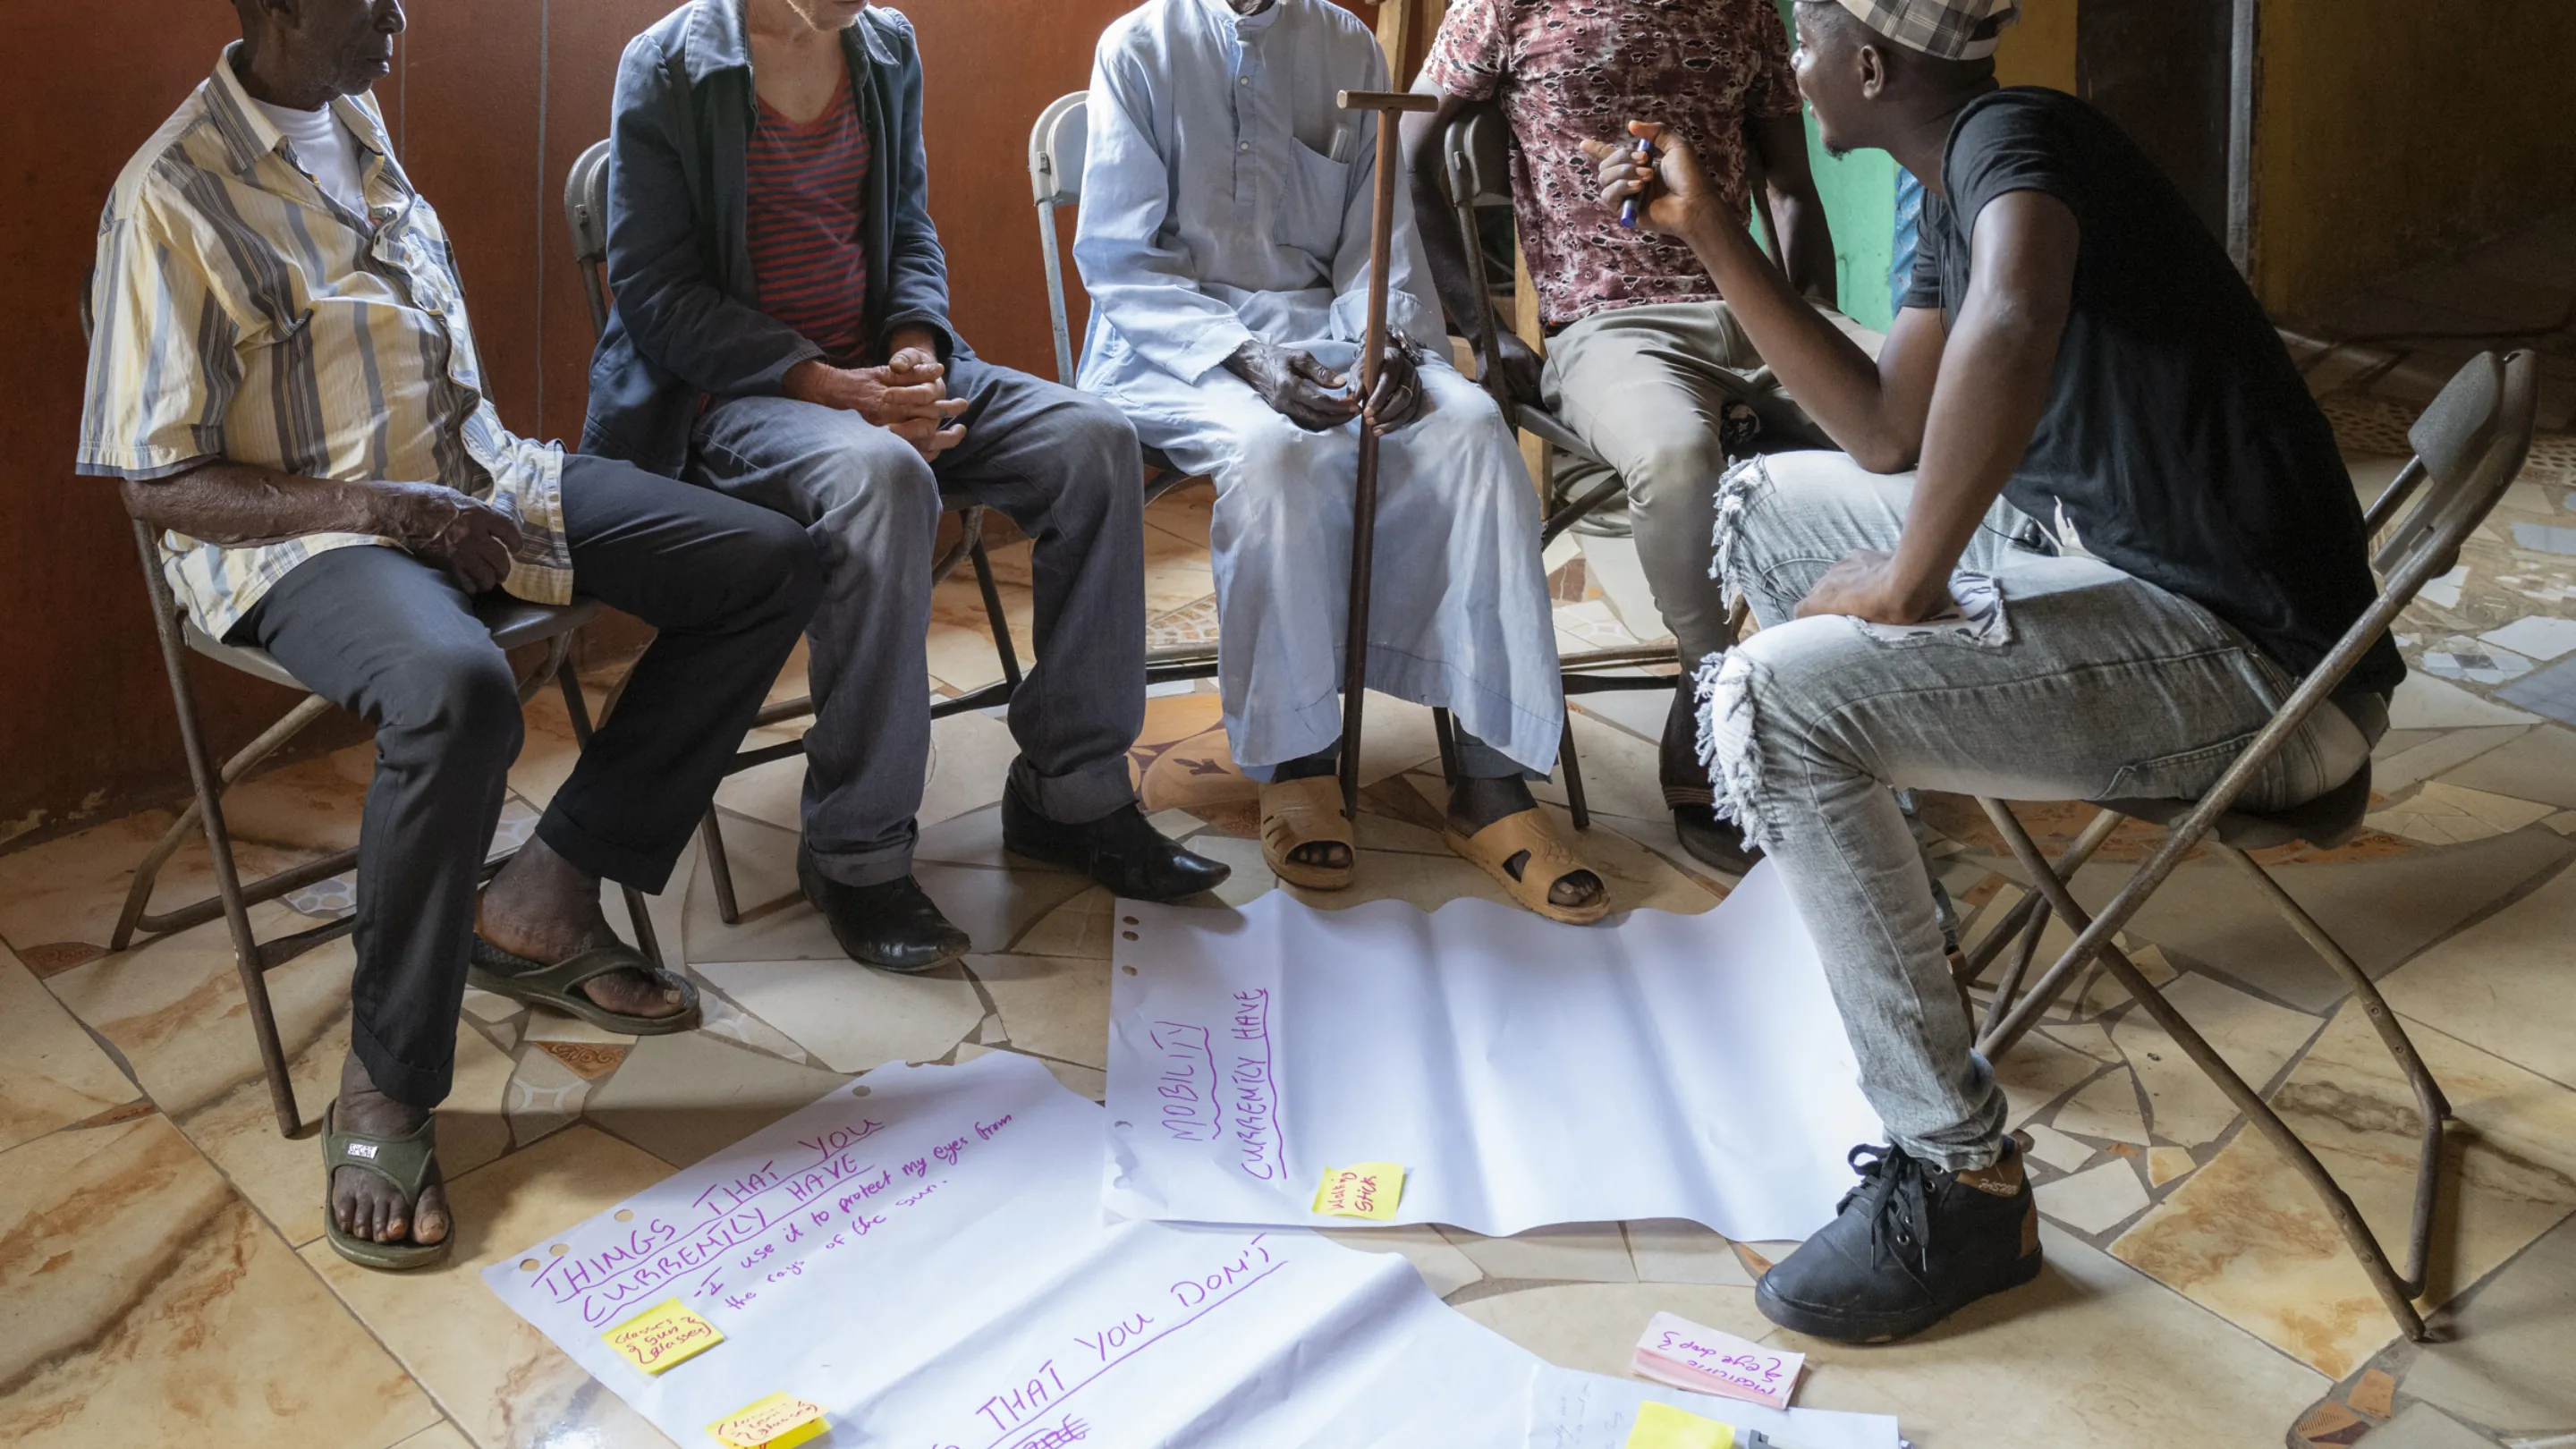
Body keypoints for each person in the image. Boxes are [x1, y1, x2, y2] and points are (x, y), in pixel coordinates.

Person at [1589, 0, 2401, 1341]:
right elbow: (1883, 432)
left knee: (1782, 704)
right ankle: (1895, 913)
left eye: (1807, 46)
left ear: (1867, 66)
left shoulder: (2012, 141)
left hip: (2260, 679)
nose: (1795, 72)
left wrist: (1915, 582)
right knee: (1767, 503)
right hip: (2142, 581)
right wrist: (1712, 236)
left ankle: (1958, 1179)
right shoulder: (1940, 194)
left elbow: (2018, 315)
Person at [79, 0, 823, 1269]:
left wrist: (447, 501)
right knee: (459, 689)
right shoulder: (174, 194)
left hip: (474, 483)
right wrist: (383, 510)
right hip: (312, 534)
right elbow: (154, 482)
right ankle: (386, 1084)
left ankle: (540, 895)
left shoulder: (354, 123)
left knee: (771, 562)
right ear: (276, 8)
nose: (398, 19)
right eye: (368, 0)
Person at [589, 0, 1228, 975]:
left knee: (1096, 439)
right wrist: (828, 385)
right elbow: (656, 296)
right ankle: (855, 854)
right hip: (739, 399)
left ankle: (1073, 795)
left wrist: (914, 354)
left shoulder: (883, 44)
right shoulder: (670, 66)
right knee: (884, 479)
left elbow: (907, 228)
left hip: (881, 371)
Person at [1074, 0, 1607, 924]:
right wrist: (1249, 359)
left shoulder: (1345, 41)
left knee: (1474, 433)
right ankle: (1298, 764)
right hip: (1182, 348)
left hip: (1332, 332)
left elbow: (1378, 242)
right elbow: (1123, 264)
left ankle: (1491, 781)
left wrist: (1388, 341)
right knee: (1280, 450)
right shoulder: (1139, 47)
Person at [1404, 0, 1837, 875]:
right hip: (1610, 325)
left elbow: (1789, 185)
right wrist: (1477, 317)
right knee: (1680, 460)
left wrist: (1814, 324)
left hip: (1754, 308)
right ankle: (1710, 702)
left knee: (1910, 417)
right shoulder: (1505, 8)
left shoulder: (1746, 9)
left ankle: (1850, 709)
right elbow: (1409, 155)